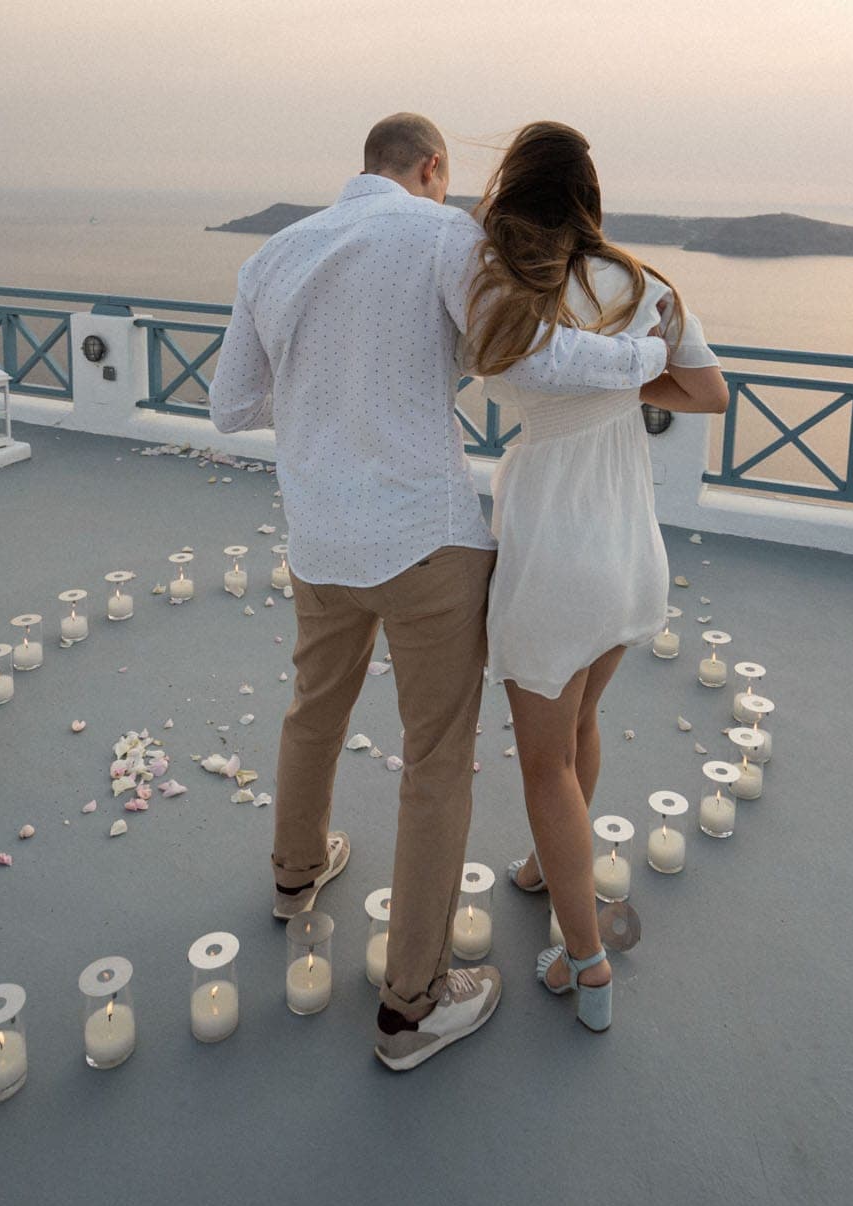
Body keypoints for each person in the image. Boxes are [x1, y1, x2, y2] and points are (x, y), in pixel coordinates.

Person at [207, 112, 672, 1071]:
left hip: (320, 539)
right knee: (433, 765)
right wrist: (641, 357)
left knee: (314, 712)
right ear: (431, 169)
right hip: (424, 542)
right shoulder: (443, 234)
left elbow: (231, 407)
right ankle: (412, 1006)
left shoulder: (276, 255)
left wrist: (325, 395)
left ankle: (296, 878)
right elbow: (529, 354)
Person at [466, 121, 729, 1033]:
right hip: (628, 540)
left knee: (543, 755)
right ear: (588, 195)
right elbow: (708, 392)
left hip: (553, 538)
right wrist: (624, 391)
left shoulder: (506, 290)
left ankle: (584, 963)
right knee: (581, 719)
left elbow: (480, 370)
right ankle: (549, 864)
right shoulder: (645, 285)